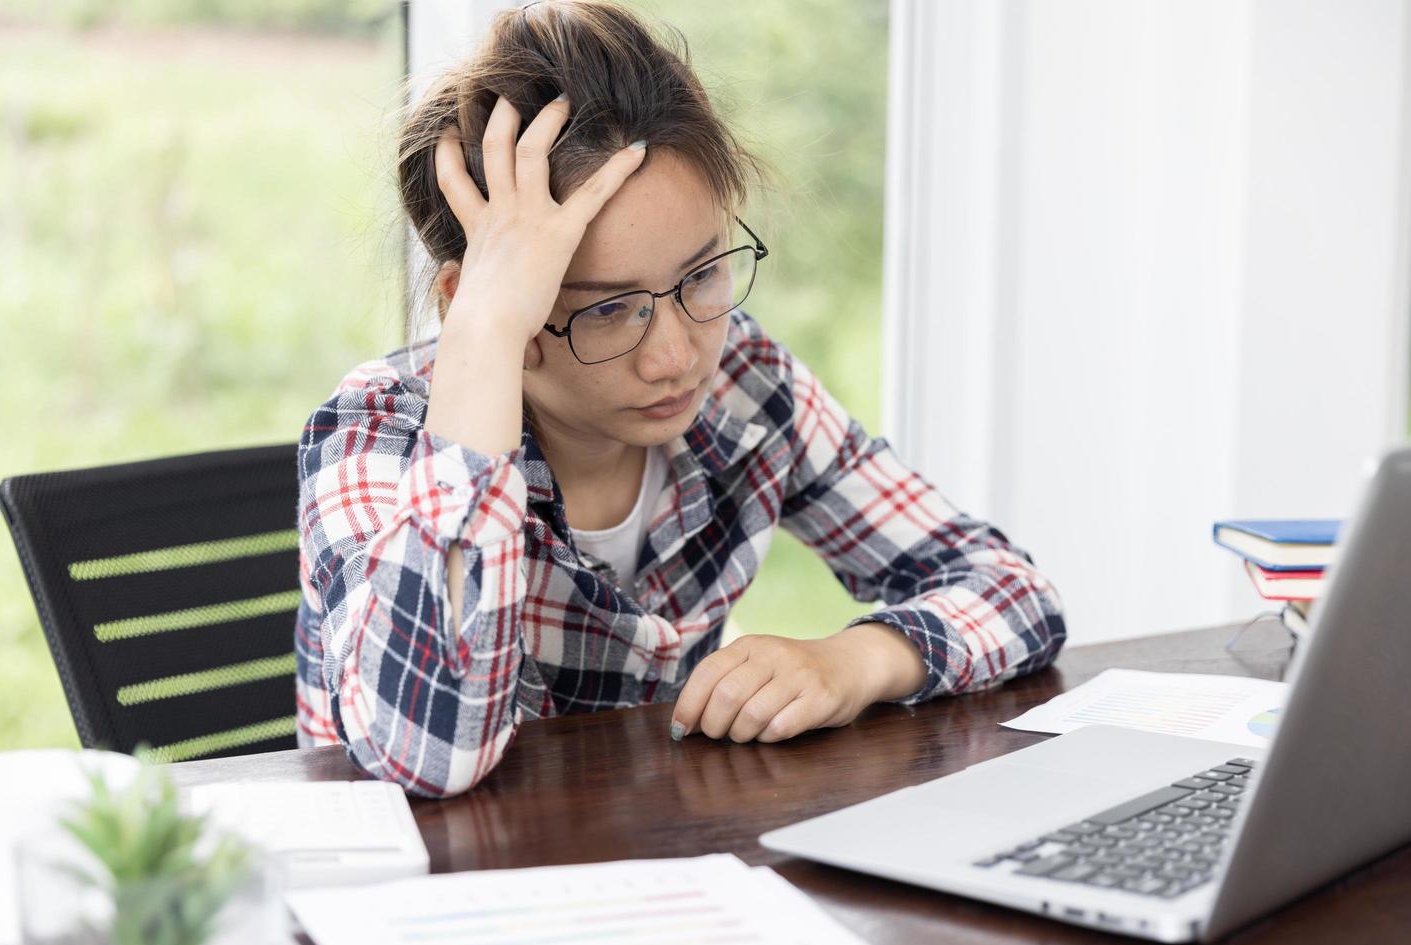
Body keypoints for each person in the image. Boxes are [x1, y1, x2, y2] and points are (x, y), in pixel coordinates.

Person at [294, 0, 1067, 799]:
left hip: (671, 869)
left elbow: (1012, 589)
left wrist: (856, 661)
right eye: (607, 309)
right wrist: (482, 338)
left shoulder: (745, 386)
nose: (676, 356)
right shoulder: (374, 437)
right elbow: (426, 754)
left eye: (701, 276)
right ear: (479, 302)